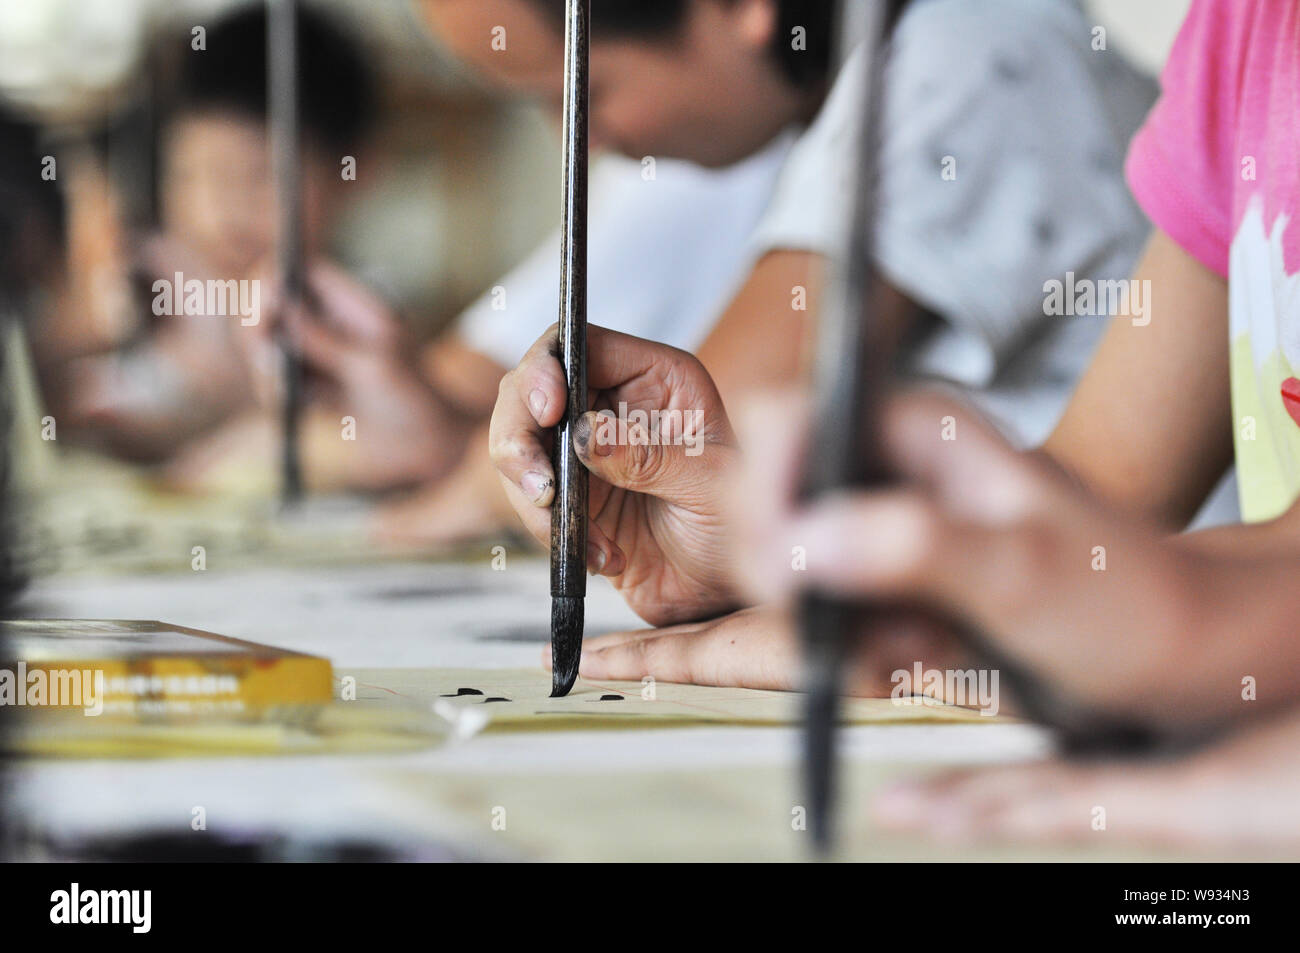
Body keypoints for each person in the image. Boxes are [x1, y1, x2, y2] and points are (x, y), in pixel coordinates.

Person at [490, 0, 1300, 850]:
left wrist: (1150, 636)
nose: (567, 135)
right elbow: (1099, 497)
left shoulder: (972, 42)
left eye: (572, 96)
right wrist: (789, 542)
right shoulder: (1243, 30)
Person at [371, 0, 1156, 543]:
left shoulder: (966, 58)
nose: (581, 144)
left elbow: (698, 435)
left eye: (583, 97)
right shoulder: (859, 82)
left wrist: (468, 496)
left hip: (1146, 628)